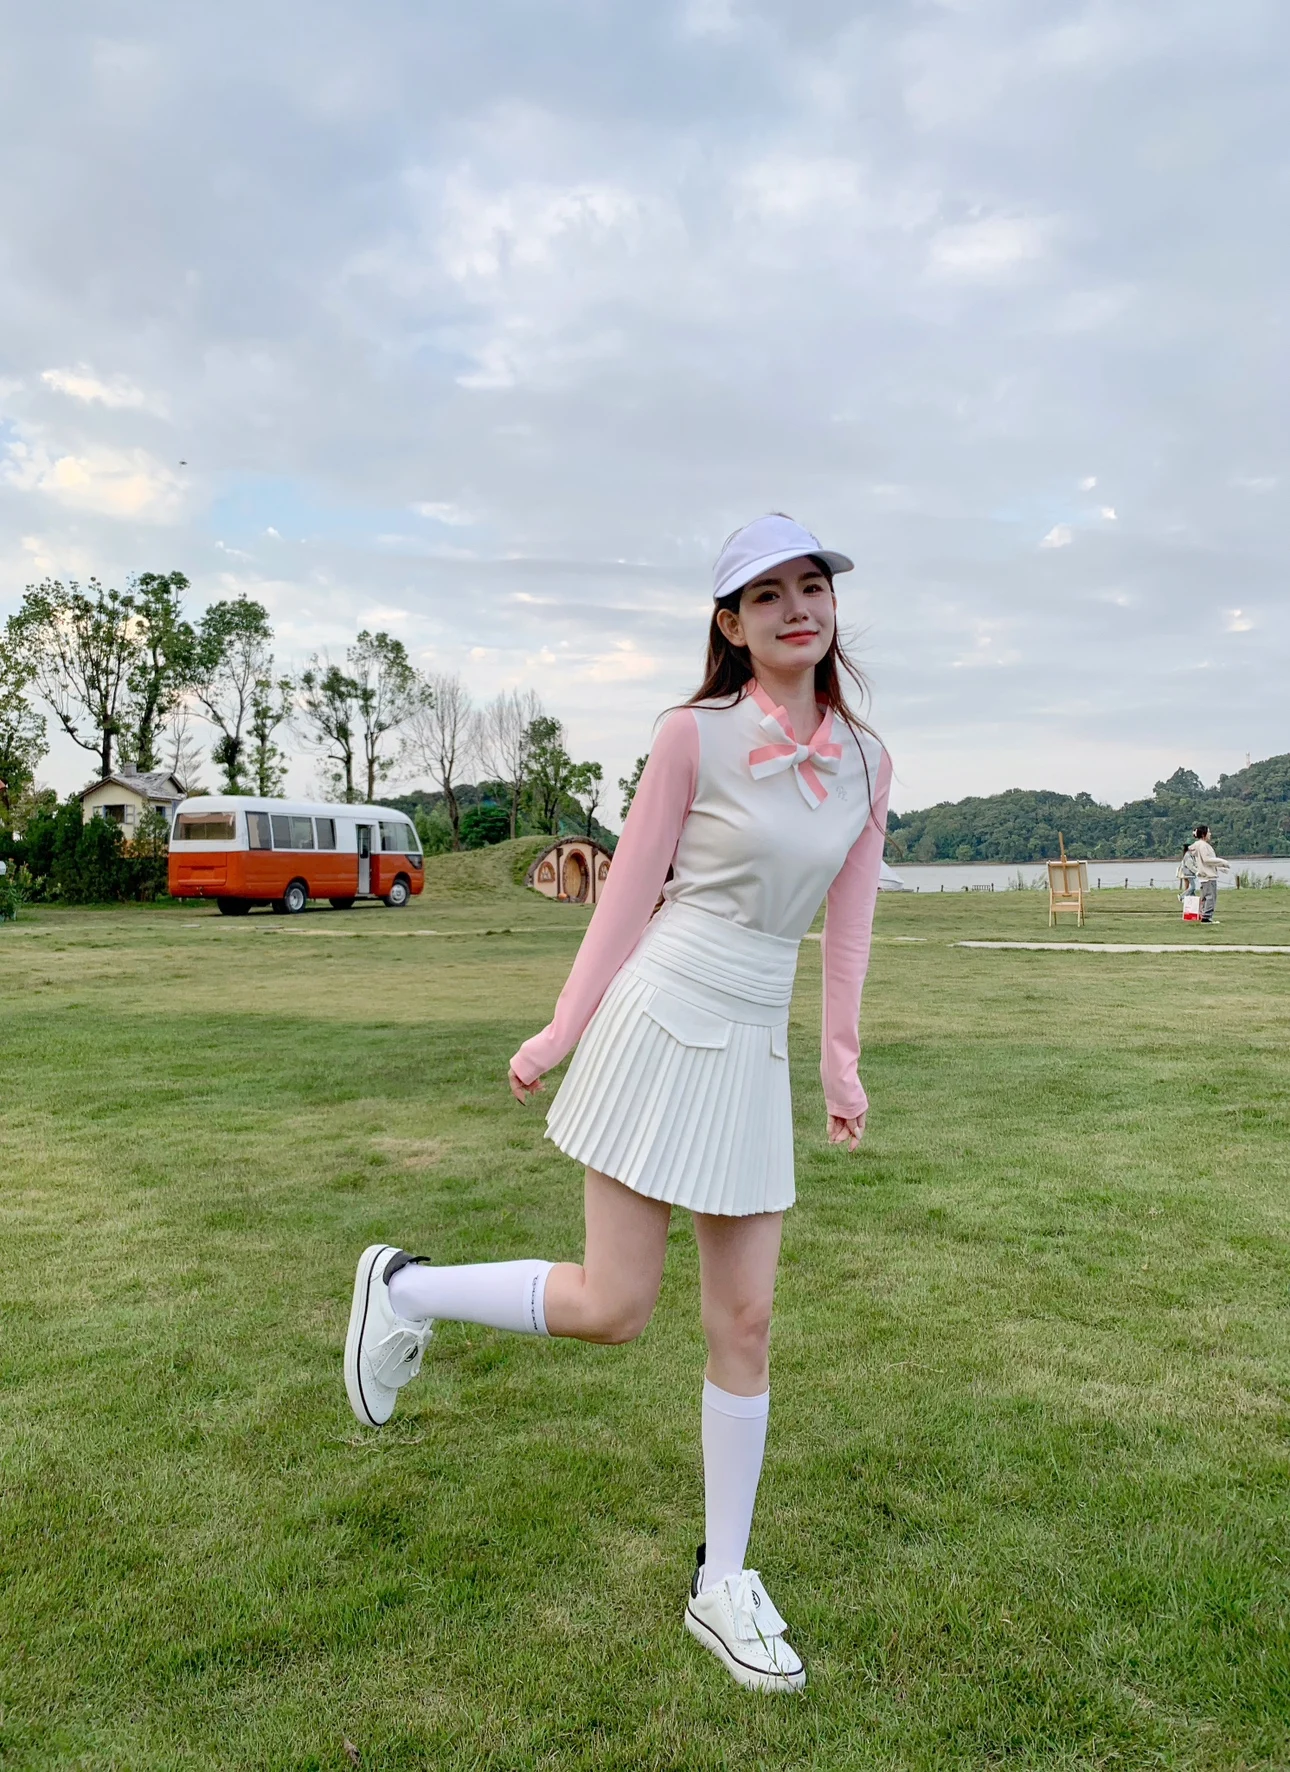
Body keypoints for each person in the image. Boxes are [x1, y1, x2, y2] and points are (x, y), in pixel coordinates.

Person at [344, 513, 892, 1694]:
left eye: (812, 586)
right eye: (768, 595)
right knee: (614, 1305)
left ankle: (723, 1579)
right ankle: (404, 1290)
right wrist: (560, 1030)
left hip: (753, 1039)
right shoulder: (690, 734)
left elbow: (848, 924)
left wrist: (840, 1064)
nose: (798, 608)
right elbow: (628, 891)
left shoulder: (867, 759)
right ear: (730, 625)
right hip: (662, 1011)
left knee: (746, 1320)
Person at [1188, 823, 1229, 922]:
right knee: (1211, 896)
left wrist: (1220, 868)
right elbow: (1207, 860)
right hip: (1208, 876)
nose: (1210, 834)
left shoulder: (1198, 845)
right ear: (1204, 834)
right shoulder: (1203, 846)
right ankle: (1206, 917)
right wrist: (1222, 862)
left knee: (1205, 896)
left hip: (1204, 875)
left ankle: (1203, 914)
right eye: (1209, 832)